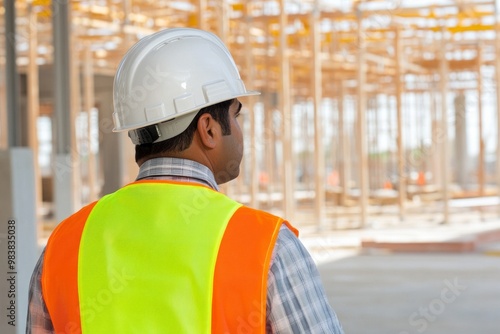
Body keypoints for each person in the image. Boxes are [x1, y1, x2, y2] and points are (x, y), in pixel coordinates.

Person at [26, 28, 344, 334]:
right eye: (236, 115)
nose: (241, 129)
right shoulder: (268, 248)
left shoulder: (63, 245)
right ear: (208, 129)